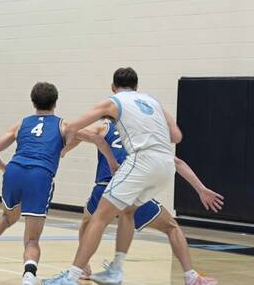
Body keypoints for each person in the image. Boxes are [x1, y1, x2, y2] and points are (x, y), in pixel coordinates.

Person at [42, 68, 217, 285]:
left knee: (99, 218)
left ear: (113, 86)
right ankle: (183, 276)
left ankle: (71, 277)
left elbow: (76, 126)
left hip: (141, 162)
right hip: (164, 164)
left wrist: (62, 146)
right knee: (129, 212)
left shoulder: (113, 101)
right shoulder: (152, 102)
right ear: (137, 86)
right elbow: (176, 136)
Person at [0, 82, 118, 285]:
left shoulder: (21, 124)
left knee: (7, 218)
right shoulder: (64, 125)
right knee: (32, 239)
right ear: (55, 103)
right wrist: (112, 162)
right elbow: (97, 139)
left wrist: (8, 170)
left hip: (15, 170)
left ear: (33, 102)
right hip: (40, 175)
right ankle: (29, 276)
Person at [71, 120, 223, 284]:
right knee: (171, 227)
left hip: (104, 188)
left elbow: (76, 130)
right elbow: (177, 162)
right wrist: (200, 189)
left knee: (88, 221)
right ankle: (191, 276)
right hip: (130, 189)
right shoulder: (143, 135)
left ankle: (83, 267)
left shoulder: (104, 127)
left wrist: (65, 148)